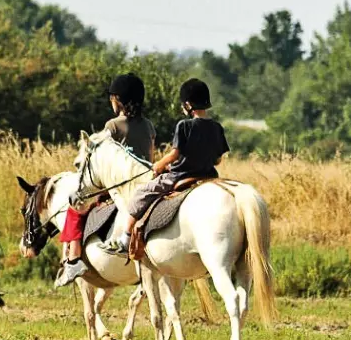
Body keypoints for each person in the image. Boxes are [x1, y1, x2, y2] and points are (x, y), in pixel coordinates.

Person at [100, 78, 228, 256]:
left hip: (180, 175)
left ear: (188, 104)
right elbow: (217, 160)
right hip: (209, 174)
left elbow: (175, 154)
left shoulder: (184, 125)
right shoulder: (217, 127)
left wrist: (159, 165)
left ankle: (126, 238)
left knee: (141, 194)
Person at [54, 72, 156, 287]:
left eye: (112, 98)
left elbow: (100, 156)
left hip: (118, 185)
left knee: (76, 206)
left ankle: (73, 259)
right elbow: (150, 157)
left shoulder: (113, 125)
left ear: (117, 100)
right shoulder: (148, 125)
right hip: (146, 182)